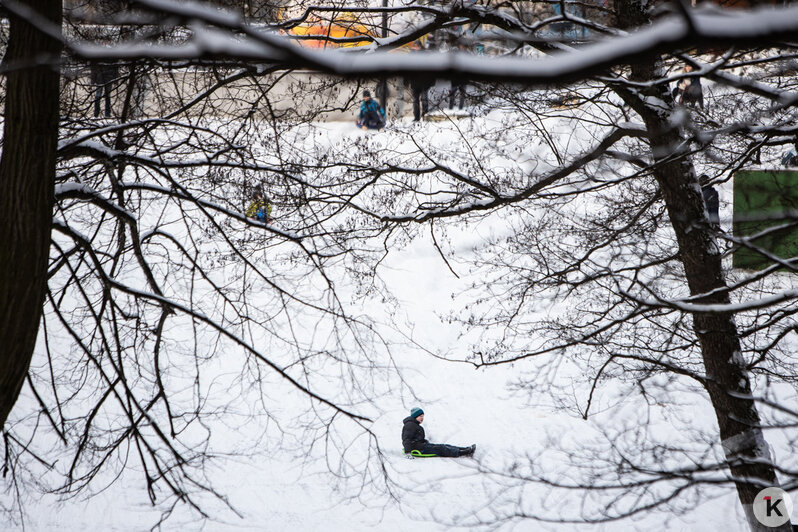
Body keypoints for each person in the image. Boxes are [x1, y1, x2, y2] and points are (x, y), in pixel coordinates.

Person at [402, 407, 475, 458]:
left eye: (423, 416)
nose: (422, 418)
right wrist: (408, 452)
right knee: (441, 448)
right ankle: (462, 452)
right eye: (420, 416)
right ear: (415, 416)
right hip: (418, 448)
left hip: (421, 446)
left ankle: (464, 449)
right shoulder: (410, 425)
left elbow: (418, 438)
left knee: (444, 445)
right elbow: (406, 439)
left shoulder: (415, 425)